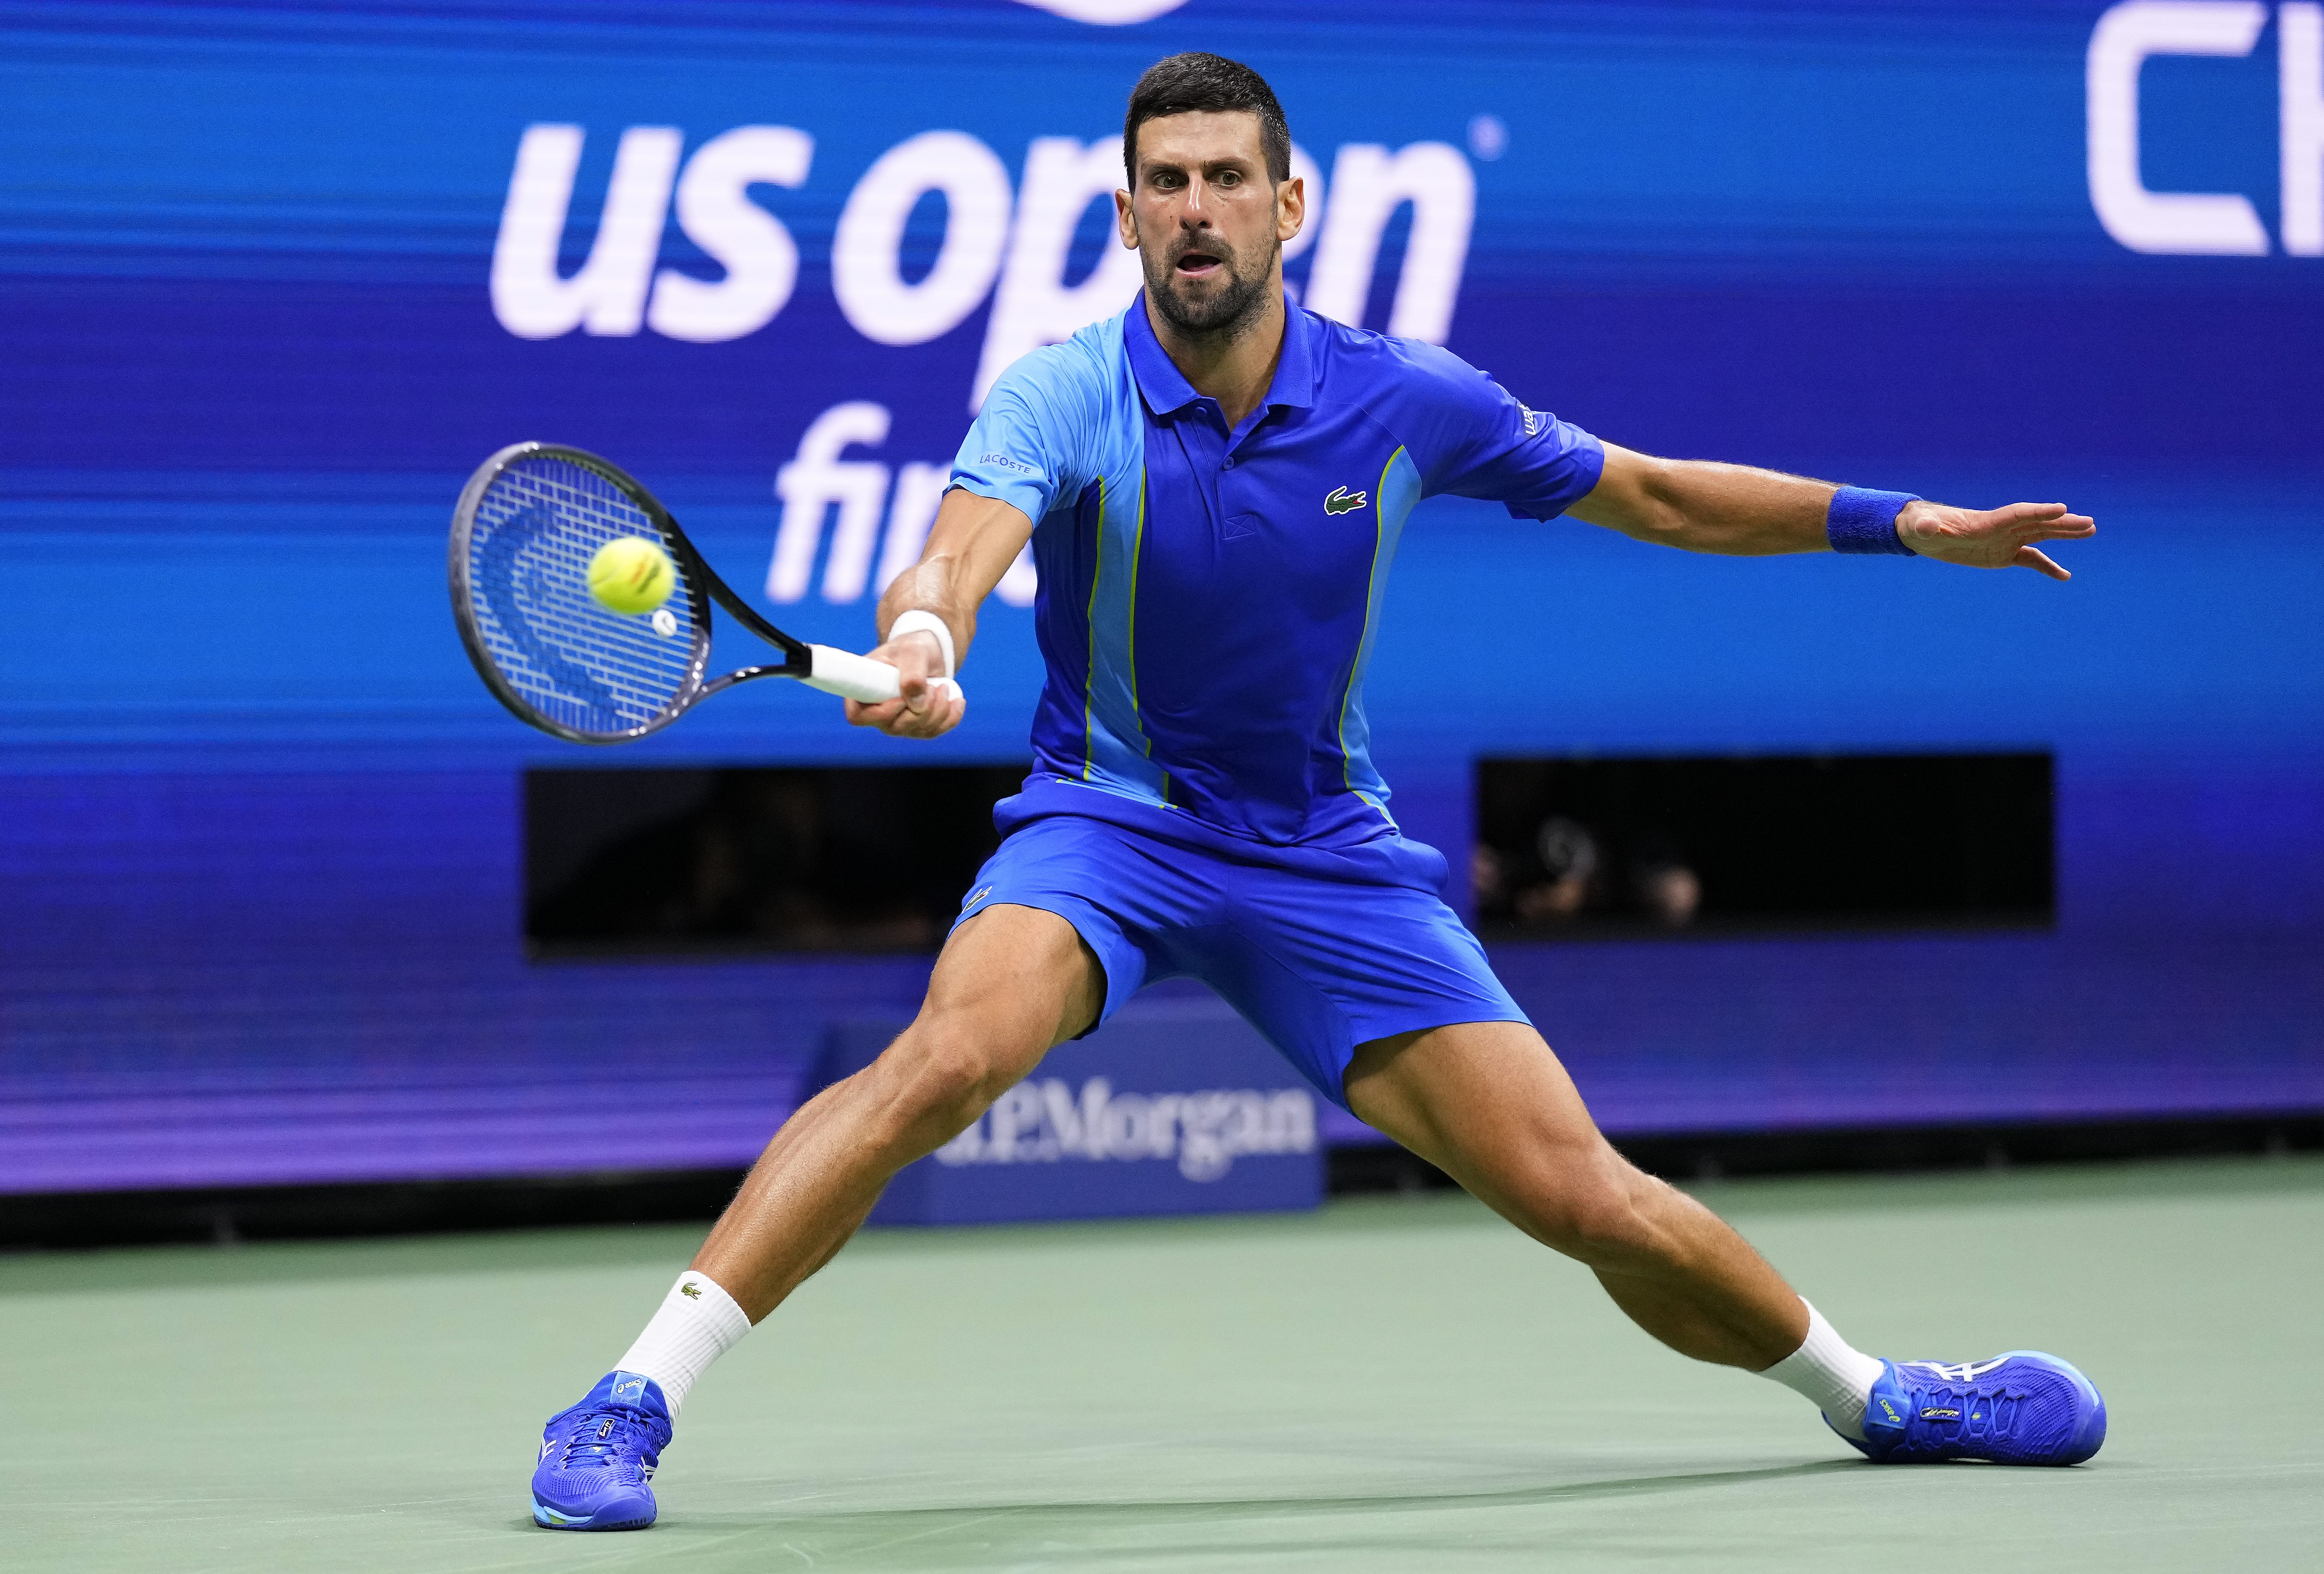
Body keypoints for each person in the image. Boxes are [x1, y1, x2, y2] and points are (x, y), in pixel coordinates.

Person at [527, 53, 2106, 1530]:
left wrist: (1904, 523)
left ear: (1288, 204)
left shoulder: (1403, 396)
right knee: (945, 1060)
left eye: (1226, 178)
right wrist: (928, 636)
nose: (1195, 209)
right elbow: (953, 553)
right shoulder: (1063, 391)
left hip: (1324, 860)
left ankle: (1883, 1397)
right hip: (1111, 827)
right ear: (1126, 215)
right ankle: (626, 1401)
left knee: (1582, 1195)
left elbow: (1656, 494)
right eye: (1165, 182)